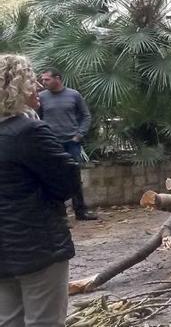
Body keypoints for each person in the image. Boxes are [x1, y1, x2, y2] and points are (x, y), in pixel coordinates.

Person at [0, 55, 80, 326]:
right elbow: (67, 181)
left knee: (8, 320)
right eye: (31, 80)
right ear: (16, 87)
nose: (37, 86)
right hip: (37, 247)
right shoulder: (28, 131)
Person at [38, 68, 96, 221]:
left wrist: (79, 134)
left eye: (46, 79)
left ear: (58, 78)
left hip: (72, 143)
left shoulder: (73, 95)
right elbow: (37, 119)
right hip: (51, 143)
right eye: (43, 80)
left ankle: (81, 212)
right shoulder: (41, 97)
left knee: (74, 177)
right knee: (54, 178)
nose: (43, 82)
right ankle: (60, 216)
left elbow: (86, 115)